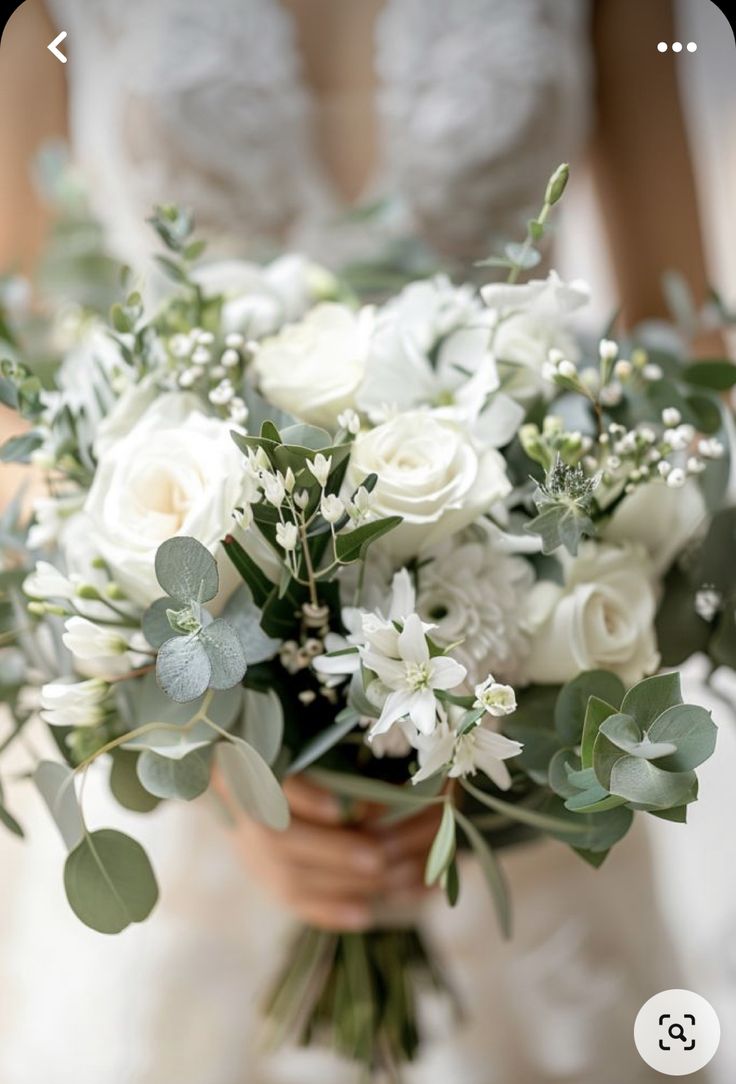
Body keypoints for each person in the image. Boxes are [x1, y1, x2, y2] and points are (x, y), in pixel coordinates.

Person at [0, 2, 721, 1081]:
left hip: (517, 724)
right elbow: (22, 362)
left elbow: (685, 341)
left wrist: (548, 639)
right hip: (187, 684)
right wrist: (205, 737)